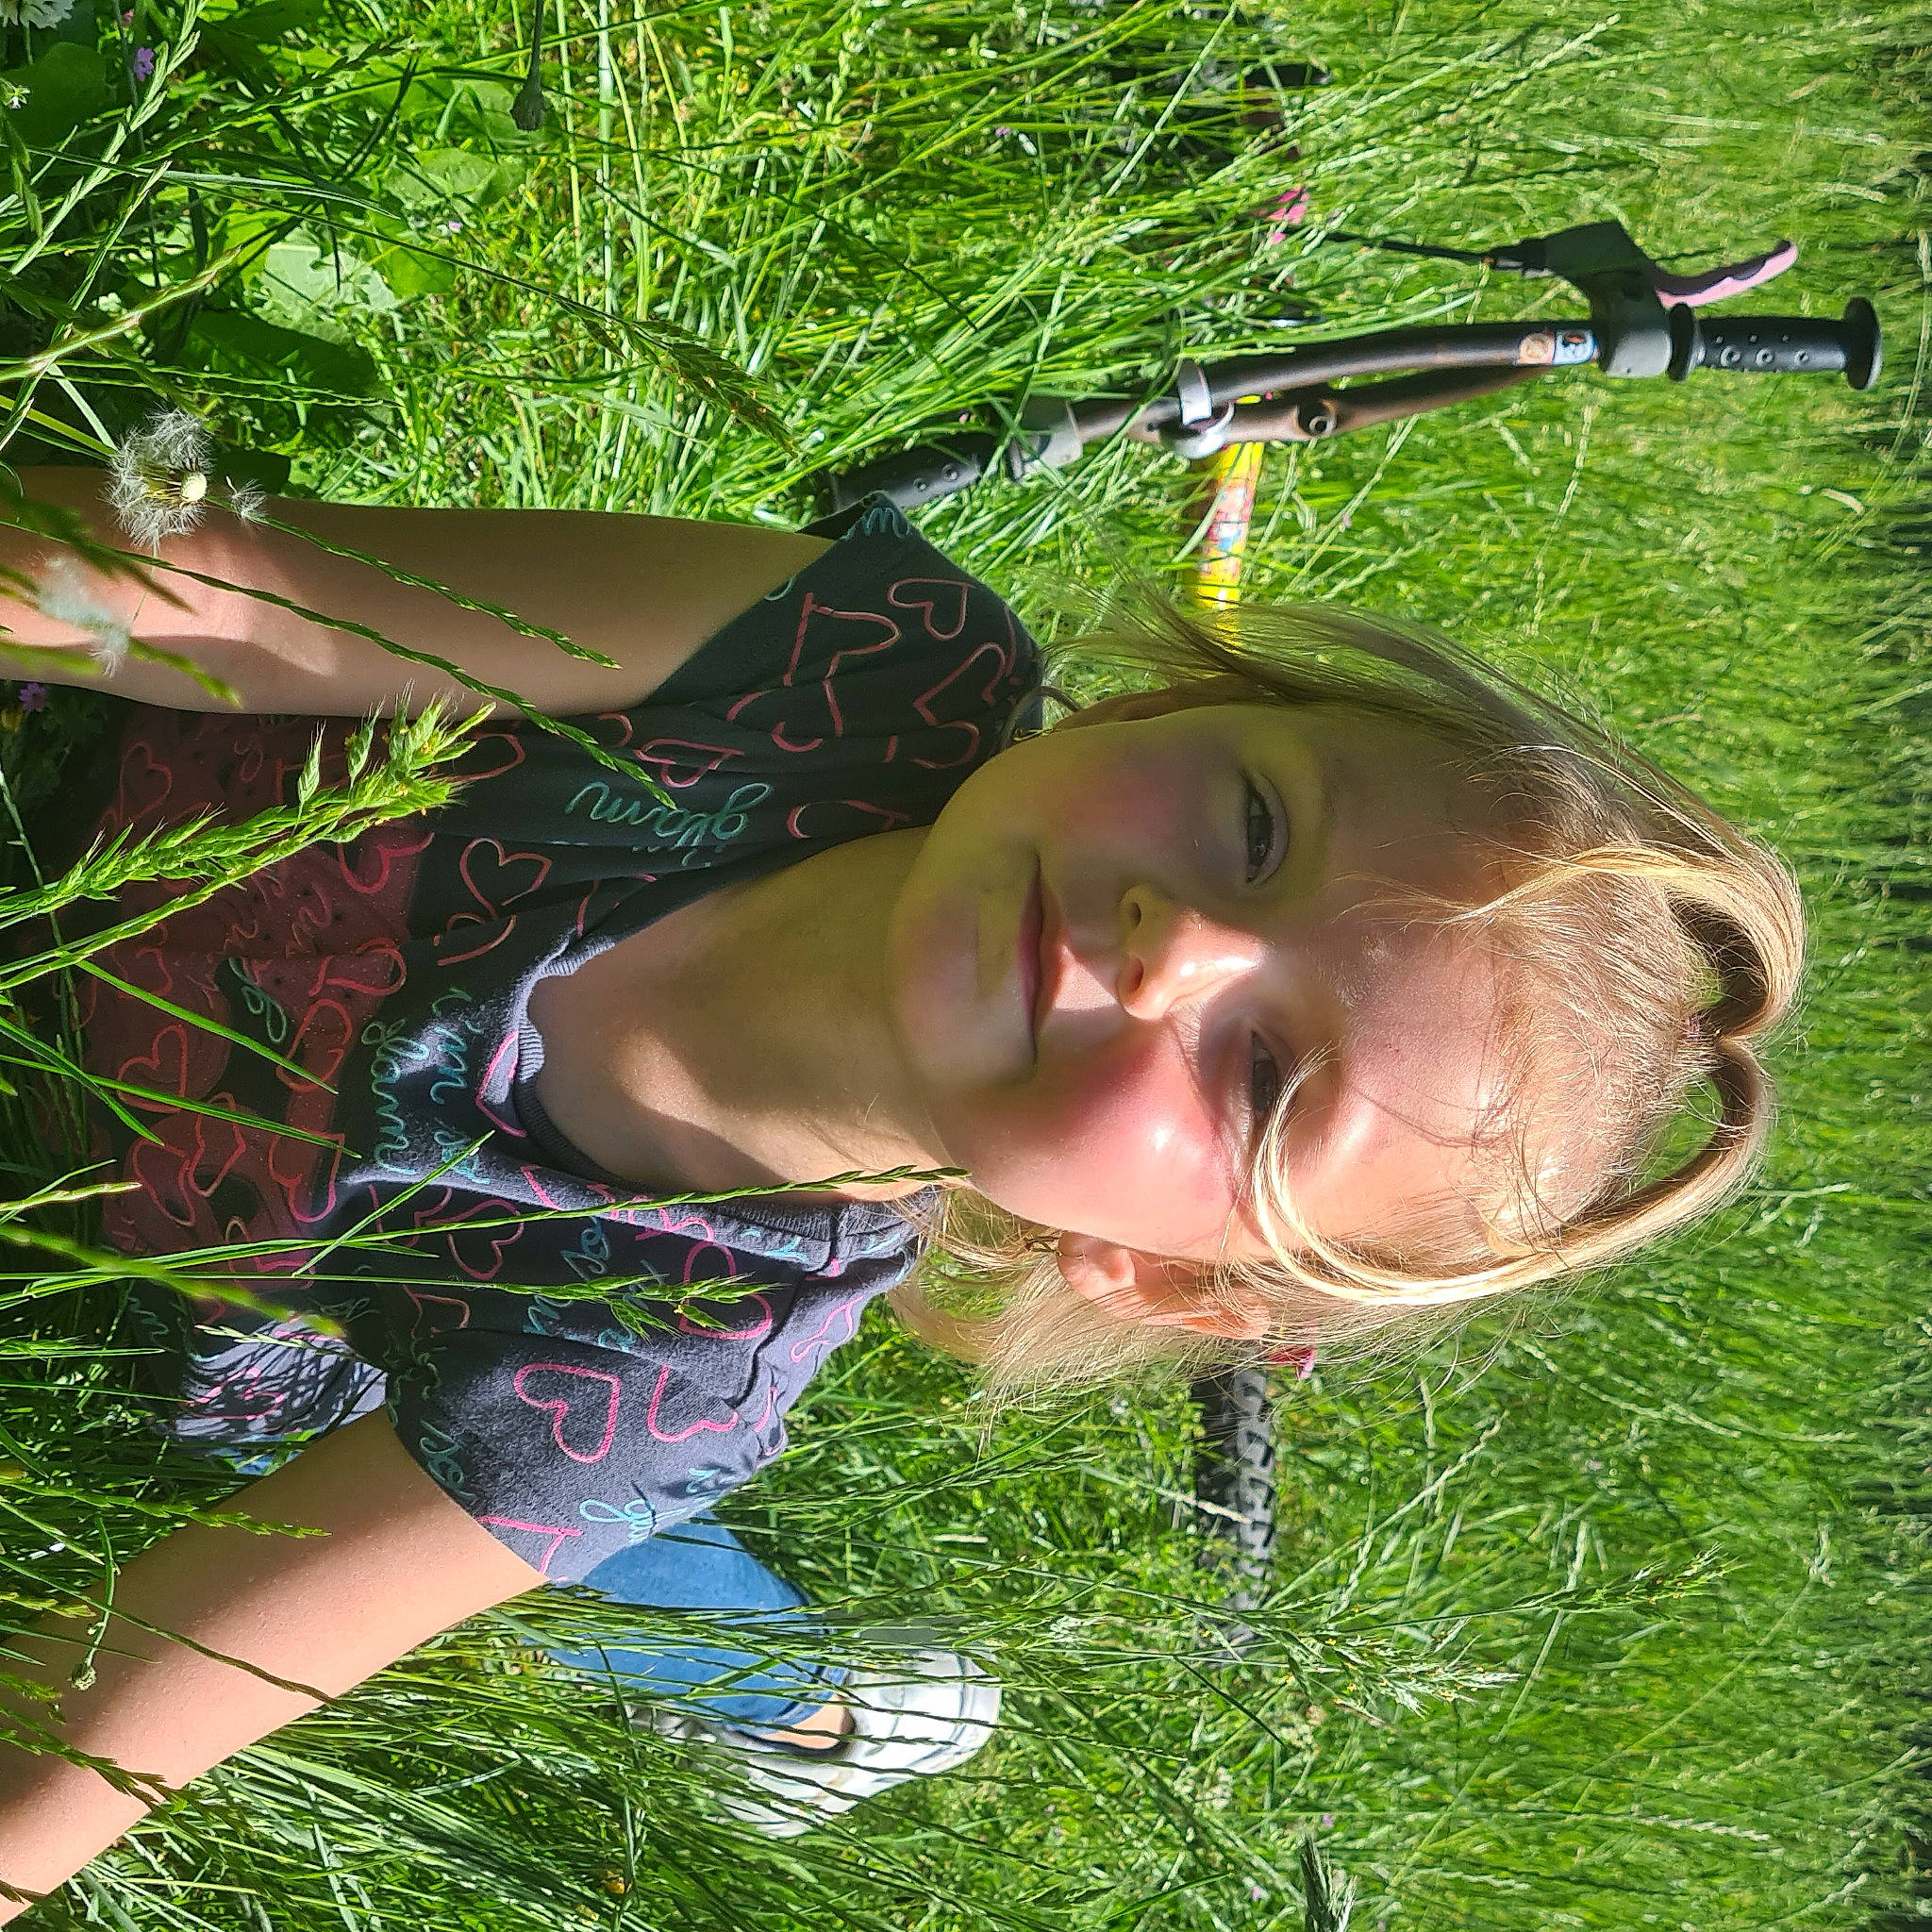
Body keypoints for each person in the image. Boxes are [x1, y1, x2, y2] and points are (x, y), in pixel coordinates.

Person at [0, 444, 1802, 1908]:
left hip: (81, 1200)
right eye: (1257, 825)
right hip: (59, 767)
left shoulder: (659, 1369)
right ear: (1165, 702)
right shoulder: (849, 669)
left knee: (580, 1514)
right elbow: (220, 583)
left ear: (1166, 1276)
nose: (1176, 940)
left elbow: (89, 1740)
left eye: (1266, 1079)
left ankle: (812, 1703)